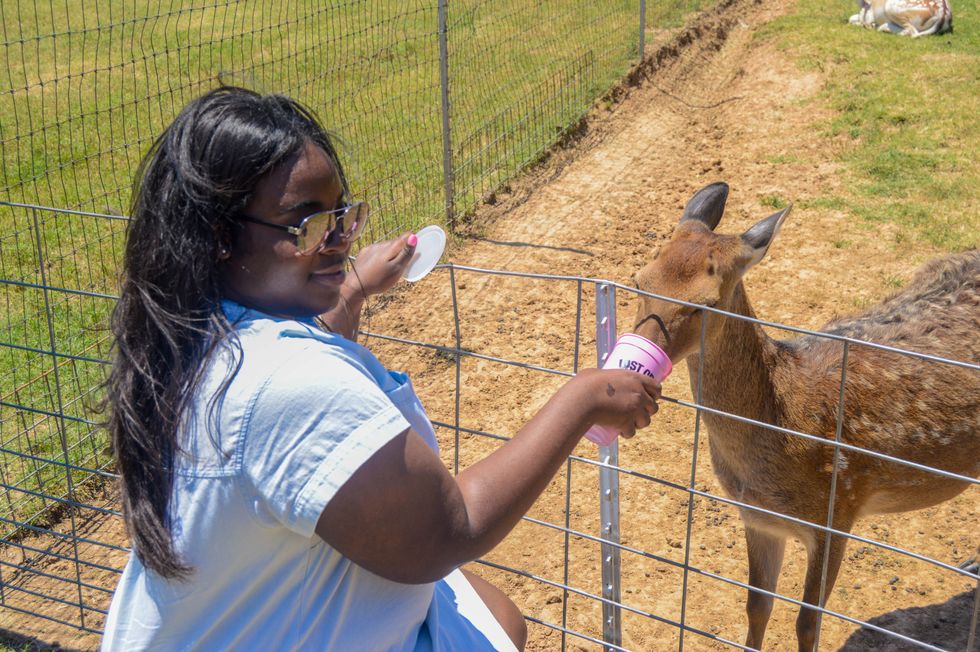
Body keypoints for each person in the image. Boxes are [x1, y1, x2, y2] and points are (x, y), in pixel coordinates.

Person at [102, 85, 662, 651]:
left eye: (343, 215)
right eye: (308, 225)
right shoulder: (291, 386)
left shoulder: (188, 333)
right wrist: (584, 398)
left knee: (497, 616)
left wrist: (354, 289)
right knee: (496, 624)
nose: (341, 240)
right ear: (220, 237)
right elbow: (447, 530)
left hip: (250, 619)